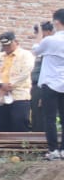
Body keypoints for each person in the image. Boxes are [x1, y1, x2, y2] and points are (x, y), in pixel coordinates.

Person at [0, 32, 34, 133]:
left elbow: (25, 72)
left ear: (16, 42)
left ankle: (21, 148)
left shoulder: (26, 55)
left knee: (20, 124)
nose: (6, 47)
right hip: (0, 96)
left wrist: (10, 84)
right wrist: (1, 84)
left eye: (8, 45)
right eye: (4, 45)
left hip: (19, 95)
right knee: (2, 127)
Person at [34, 9, 64, 158]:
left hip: (50, 83)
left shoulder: (50, 40)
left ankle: (53, 150)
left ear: (57, 22)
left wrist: (39, 33)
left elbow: (36, 51)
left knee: (50, 118)